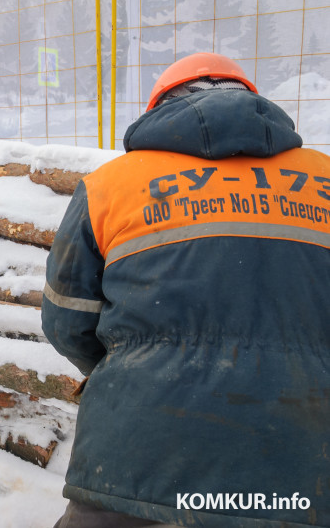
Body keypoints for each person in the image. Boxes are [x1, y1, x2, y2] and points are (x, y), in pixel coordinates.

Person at [42, 53, 329, 528]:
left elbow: (67, 319)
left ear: (159, 109)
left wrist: (137, 366)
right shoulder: (321, 178)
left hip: (133, 462)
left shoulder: (111, 186)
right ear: (253, 103)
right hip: (298, 465)